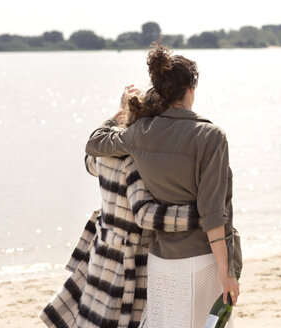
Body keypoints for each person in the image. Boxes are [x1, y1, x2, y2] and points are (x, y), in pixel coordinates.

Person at [85, 40, 242, 328]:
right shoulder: (210, 136)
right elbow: (212, 212)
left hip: (160, 261)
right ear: (191, 88)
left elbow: (94, 143)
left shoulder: (140, 132)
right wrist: (226, 271)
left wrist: (119, 113)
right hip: (202, 259)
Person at [39, 87, 205, 328]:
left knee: (92, 316)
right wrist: (200, 215)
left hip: (103, 248)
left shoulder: (104, 152)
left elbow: (89, 162)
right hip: (130, 260)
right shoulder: (136, 160)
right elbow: (145, 215)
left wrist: (114, 116)